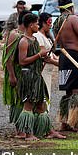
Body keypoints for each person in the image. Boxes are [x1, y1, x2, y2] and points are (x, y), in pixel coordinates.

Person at [15, 13, 65, 141]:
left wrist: (45, 56)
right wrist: (39, 55)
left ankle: (47, 130)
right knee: (29, 105)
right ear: (31, 25)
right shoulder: (24, 41)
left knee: (42, 105)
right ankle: (28, 134)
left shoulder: (34, 40)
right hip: (28, 76)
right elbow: (22, 61)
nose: (38, 26)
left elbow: (41, 55)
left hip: (37, 76)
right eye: (36, 24)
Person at [53, 0, 78, 131]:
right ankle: (76, 122)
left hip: (63, 57)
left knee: (67, 90)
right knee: (76, 90)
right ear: (71, 7)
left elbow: (56, 44)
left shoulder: (58, 22)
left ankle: (64, 122)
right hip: (75, 57)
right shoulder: (73, 19)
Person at [2, 10, 28, 137]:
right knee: (17, 100)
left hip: (25, 73)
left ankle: (25, 126)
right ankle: (19, 129)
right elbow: (9, 57)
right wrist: (12, 75)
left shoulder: (25, 34)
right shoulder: (14, 34)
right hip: (16, 72)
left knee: (25, 99)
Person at [34, 12, 58, 105]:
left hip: (48, 72)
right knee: (43, 98)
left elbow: (51, 54)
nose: (51, 25)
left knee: (47, 96)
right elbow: (44, 55)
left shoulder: (46, 36)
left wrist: (59, 60)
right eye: (49, 22)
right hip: (42, 72)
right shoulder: (38, 36)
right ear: (43, 23)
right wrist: (54, 61)